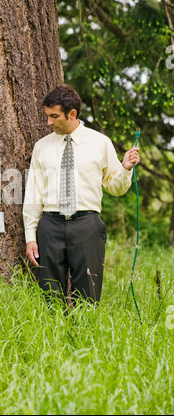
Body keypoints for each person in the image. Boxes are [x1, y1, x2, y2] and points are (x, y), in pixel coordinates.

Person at [23, 84, 140, 305]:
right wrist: (31, 236)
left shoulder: (100, 143)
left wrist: (125, 169)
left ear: (72, 114)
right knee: (50, 297)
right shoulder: (41, 147)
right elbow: (33, 193)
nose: (49, 122)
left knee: (88, 294)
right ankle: (54, 338)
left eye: (54, 116)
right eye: (47, 116)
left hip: (87, 225)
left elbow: (116, 188)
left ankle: (84, 338)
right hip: (50, 225)